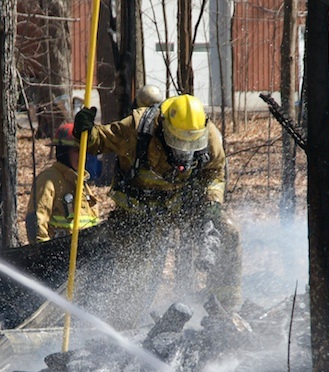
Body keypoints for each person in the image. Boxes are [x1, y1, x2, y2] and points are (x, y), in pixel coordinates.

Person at [73, 94, 242, 329]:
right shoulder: (138, 127)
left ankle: (224, 310)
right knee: (137, 273)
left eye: (191, 144)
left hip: (182, 205)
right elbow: (97, 142)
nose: (184, 152)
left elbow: (215, 171)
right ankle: (122, 330)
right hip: (138, 213)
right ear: (163, 127)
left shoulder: (210, 135)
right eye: (178, 142)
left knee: (228, 233)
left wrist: (213, 202)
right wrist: (85, 131)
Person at [25, 123, 99, 244]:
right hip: (59, 252)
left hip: (86, 252)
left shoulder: (80, 182)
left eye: (84, 150)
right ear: (63, 152)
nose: (83, 155)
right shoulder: (48, 179)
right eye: (77, 150)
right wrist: (42, 251)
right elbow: (36, 222)